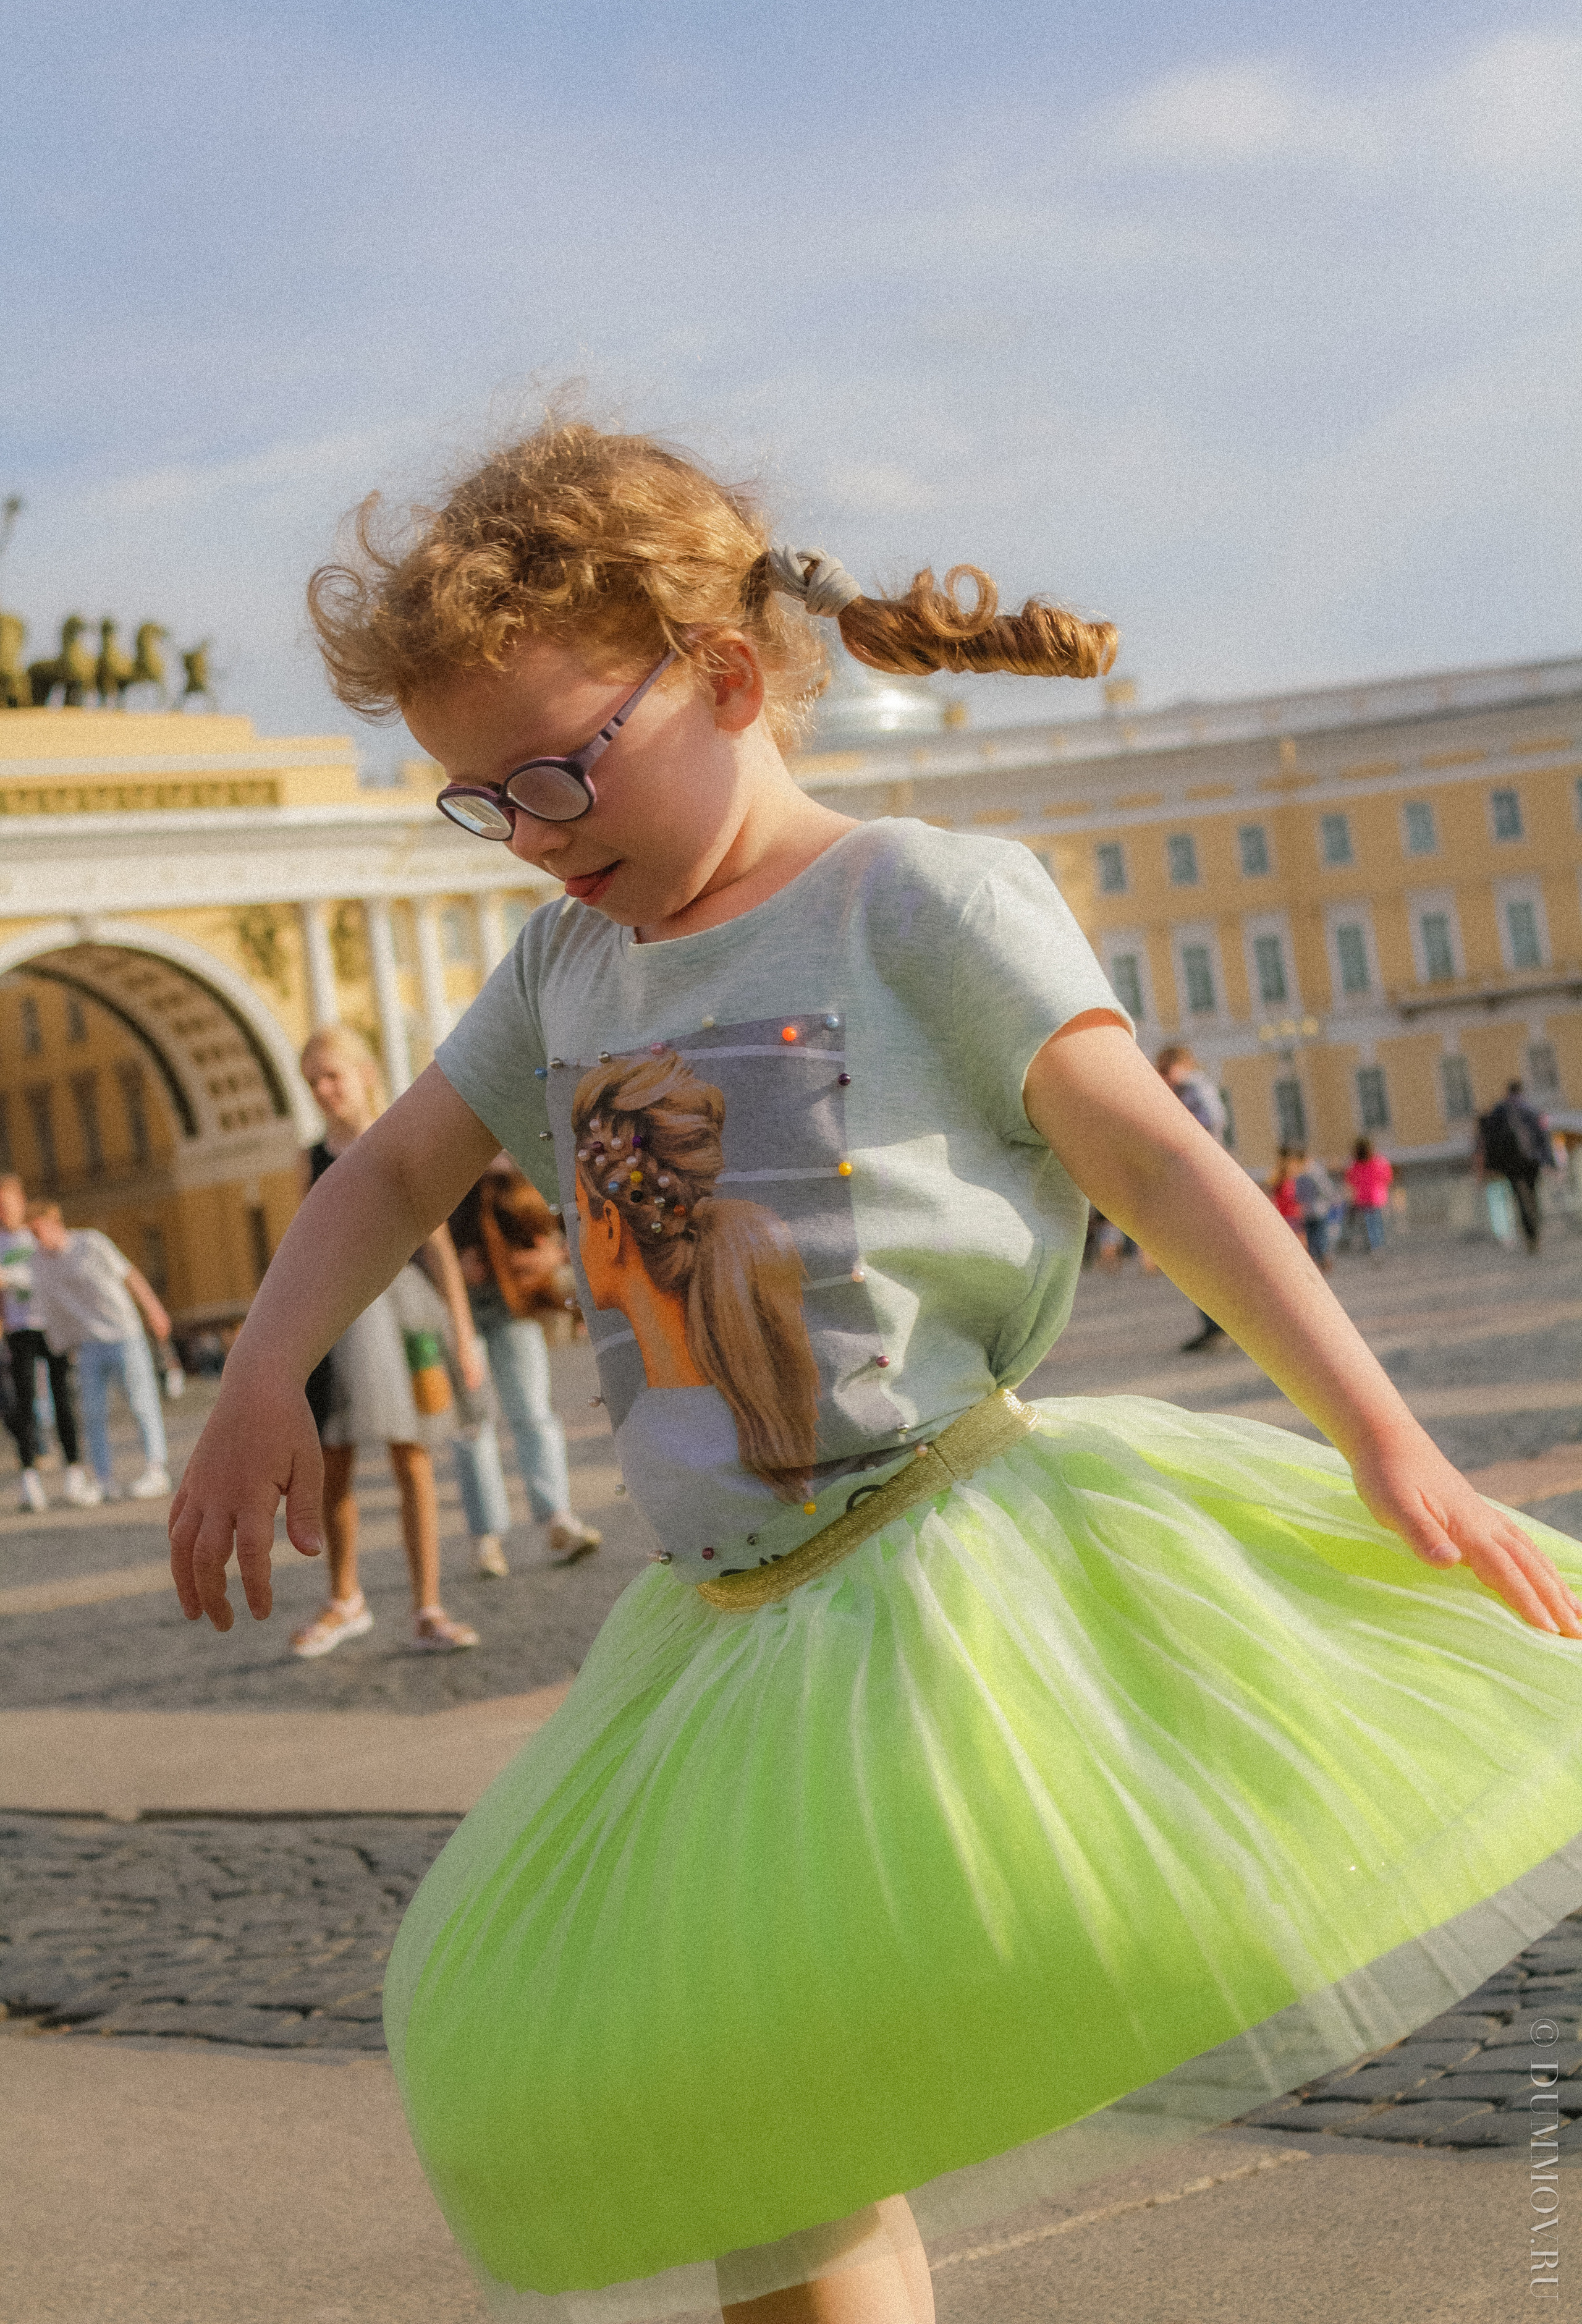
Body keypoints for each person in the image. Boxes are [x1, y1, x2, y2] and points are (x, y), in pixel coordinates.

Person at [170, 418, 1582, 2324]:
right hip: (720, 1642)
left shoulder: (914, 897)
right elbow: (394, 1167)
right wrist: (263, 1369)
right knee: (761, 2141)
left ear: (731, 681)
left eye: (560, 771)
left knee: (861, 2076)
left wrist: (1382, 1435)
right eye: (479, 798)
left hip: (938, 1583)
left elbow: (1157, 1163)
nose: (532, 829)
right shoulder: (558, 974)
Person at [293, 1025, 484, 1656]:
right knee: (334, 1461)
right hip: (338, 1317)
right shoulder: (311, 1156)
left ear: (365, 1074)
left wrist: (462, 1332)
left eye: (332, 1076)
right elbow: (306, 1246)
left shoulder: (396, 1142)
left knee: (414, 1457)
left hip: (405, 1315)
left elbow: (436, 1243)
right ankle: (344, 1598)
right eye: (312, 1080)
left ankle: (427, 1606)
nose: (322, 1090)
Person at [449, 1158, 603, 1574]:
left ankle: (557, 1522)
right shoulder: (440, 1148)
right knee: (472, 1425)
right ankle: (486, 1540)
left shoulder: (517, 1149)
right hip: (458, 1309)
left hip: (514, 1302)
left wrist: (551, 1256)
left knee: (534, 1414)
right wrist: (451, 1268)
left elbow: (561, 1215)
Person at [25, 1202, 171, 1501]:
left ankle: (157, 1471)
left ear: (56, 1224)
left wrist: (154, 1310)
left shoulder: (91, 1243)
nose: (37, 1241)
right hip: (87, 1344)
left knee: (141, 1402)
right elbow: (47, 1308)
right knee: (92, 1414)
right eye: (32, 1235)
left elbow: (129, 1274)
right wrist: (60, 1344)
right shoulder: (38, 1263)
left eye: (39, 1232)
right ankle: (105, 1481)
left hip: (124, 1334)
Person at [0, 1173, 93, 1509]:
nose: (4, 1212)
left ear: (21, 1201)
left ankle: (75, 1474)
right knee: (23, 1404)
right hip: (20, 1329)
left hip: (52, 1324)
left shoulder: (35, 1235)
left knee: (63, 1397)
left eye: (7, 1204)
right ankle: (29, 1481)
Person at [1156, 1044, 1232, 1350]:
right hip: (1191, 1177)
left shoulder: (1194, 1087)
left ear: (1180, 1065)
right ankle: (1215, 1324)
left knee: (1204, 1255)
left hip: (1202, 1177)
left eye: (1164, 1069)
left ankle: (1221, 1326)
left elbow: (1213, 1122)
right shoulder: (1179, 1092)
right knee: (1198, 1256)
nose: (1160, 1076)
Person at [1475, 1079, 1554, 1255]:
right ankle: (1535, 1231)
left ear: (1508, 1091)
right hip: (1532, 1160)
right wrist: (1549, 1161)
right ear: (1521, 1091)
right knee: (1533, 1195)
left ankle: (1529, 1235)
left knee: (1520, 1197)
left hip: (1511, 1162)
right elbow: (1543, 1135)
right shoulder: (1531, 1110)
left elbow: (1488, 1135)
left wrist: (1490, 1163)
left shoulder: (1499, 1109)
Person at [1271, 1143, 1342, 1278]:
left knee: (1318, 1241)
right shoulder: (1296, 1173)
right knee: (1311, 1243)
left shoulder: (1310, 1171)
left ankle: (1321, 1266)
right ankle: (1316, 1269)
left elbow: (1325, 1190)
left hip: (1314, 1212)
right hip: (1304, 1213)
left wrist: (1327, 1203)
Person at [1345, 1137, 1394, 1255]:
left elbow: (1350, 1179)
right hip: (1378, 1198)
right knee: (1378, 1223)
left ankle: (1374, 1245)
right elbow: (1388, 1177)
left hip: (1362, 1199)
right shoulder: (1379, 1162)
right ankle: (1378, 1245)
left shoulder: (1355, 1165)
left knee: (1369, 1224)